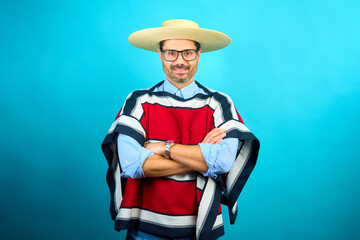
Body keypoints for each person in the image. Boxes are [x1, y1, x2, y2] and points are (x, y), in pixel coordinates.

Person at [101, 19, 260, 240]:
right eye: (171, 53)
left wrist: (162, 148)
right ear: (160, 54)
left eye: (187, 53)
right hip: (145, 229)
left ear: (198, 54)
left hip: (197, 227)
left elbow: (223, 162)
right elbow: (132, 164)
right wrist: (200, 155)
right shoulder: (139, 101)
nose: (179, 61)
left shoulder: (219, 103)